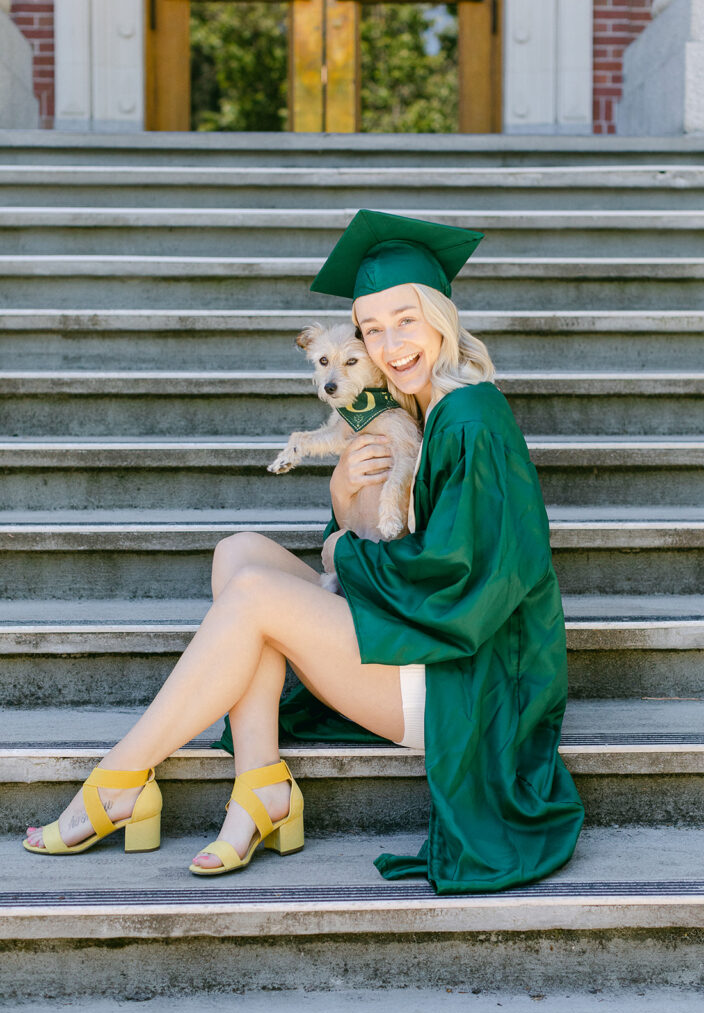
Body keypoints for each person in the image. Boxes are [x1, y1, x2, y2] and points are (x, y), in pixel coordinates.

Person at [23, 210, 584, 894]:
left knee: (257, 600)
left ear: (441, 315)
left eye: (405, 320)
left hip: (463, 684)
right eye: (371, 329)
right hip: (424, 645)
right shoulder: (418, 409)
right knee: (240, 555)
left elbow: (464, 580)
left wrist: (342, 554)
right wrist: (345, 496)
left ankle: (119, 780)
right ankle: (262, 783)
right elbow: (369, 531)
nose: (390, 344)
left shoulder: (472, 421)